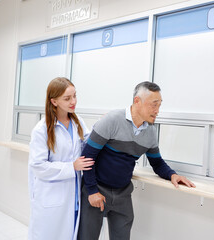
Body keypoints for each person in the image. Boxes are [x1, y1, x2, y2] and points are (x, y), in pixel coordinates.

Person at [77, 81, 196, 240]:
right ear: (137, 102)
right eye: (154, 105)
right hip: (97, 189)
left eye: (159, 105)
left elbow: (157, 163)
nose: (157, 111)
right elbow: (87, 157)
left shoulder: (151, 132)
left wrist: (172, 175)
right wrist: (92, 191)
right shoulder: (112, 120)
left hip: (123, 193)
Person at [28, 77, 94, 240]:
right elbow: (38, 166)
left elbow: (87, 144)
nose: (74, 101)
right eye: (67, 98)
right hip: (52, 198)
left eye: (75, 96)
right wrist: (72, 167)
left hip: (74, 196)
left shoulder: (78, 123)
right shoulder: (41, 130)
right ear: (54, 101)